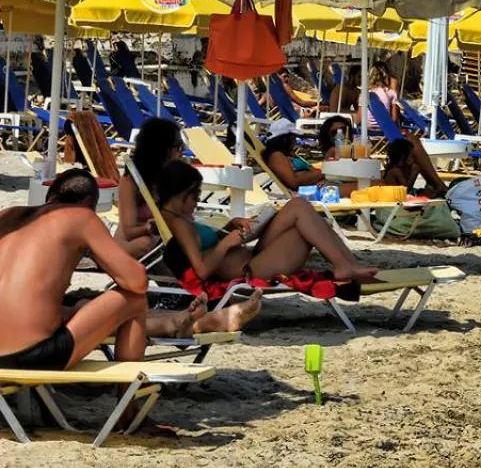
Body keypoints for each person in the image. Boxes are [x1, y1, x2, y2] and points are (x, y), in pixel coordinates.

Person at [0, 169, 149, 368]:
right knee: (136, 299)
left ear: (49, 197)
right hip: (31, 355)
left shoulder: (7, 215)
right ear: (89, 203)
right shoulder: (82, 216)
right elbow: (137, 281)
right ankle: (128, 387)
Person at [157, 161, 377, 286]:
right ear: (182, 195)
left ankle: (347, 264)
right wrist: (226, 243)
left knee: (298, 205)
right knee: (305, 222)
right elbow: (202, 271)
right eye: (195, 196)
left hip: (253, 256)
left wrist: (230, 227)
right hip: (251, 269)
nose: (197, 202)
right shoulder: (179, 224)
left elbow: (205, 246)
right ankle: (345, 265)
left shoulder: (180, 217)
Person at [115, 116, 185, 256]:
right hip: (130, 242)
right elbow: (128, 231)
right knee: (145, 243)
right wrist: (148, 227)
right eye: (178, 146)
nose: (181, 152)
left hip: (161, 241)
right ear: (162, 149)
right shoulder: (131, 181)